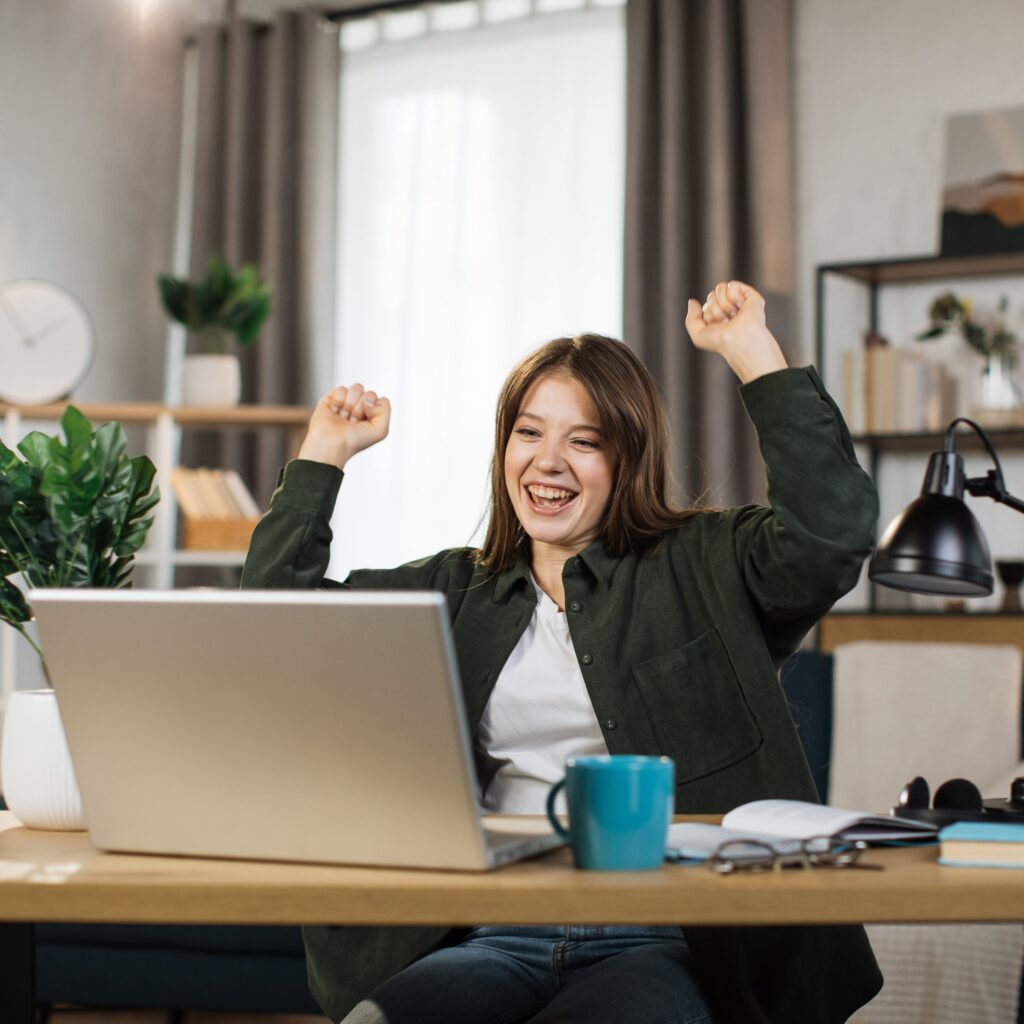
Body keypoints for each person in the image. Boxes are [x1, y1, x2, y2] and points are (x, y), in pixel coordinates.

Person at [241, 280, 883, 1024]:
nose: (548, 462)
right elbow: (278, 621)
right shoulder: (450, 591)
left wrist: (753, 355)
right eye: (529, 433)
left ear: (629, 459)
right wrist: (325, 454)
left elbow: (832, 535)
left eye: (584, 441)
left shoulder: (707, 562)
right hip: (486, 936)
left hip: (661, 943)